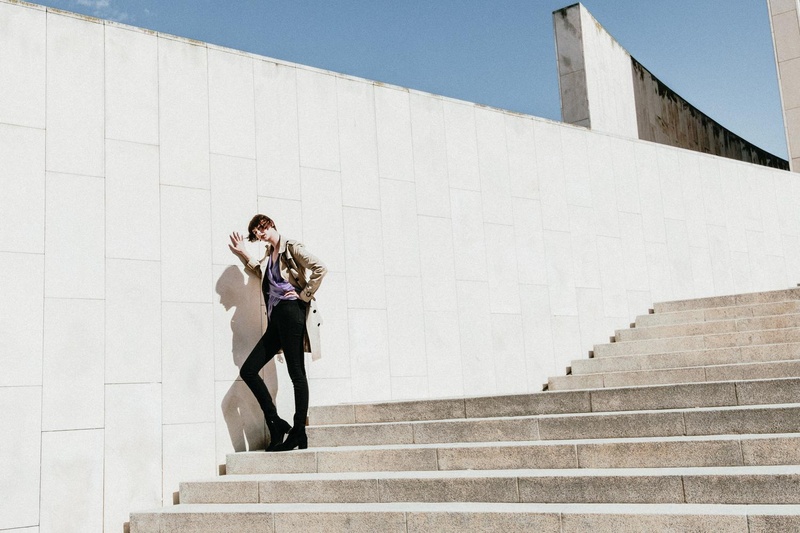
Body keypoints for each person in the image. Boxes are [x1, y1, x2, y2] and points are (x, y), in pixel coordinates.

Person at [228, 214, 327, 451]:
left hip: (292, 314)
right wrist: (242, 252)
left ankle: (298, 432)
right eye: (256, 233)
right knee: (249, 370)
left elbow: (320, 268)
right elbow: (260, 273)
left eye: (261, 229)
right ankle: (275, 423)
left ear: (270, 224)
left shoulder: (291, 248)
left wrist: (303, 296)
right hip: (277, 320)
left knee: (296, 374)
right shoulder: (269, 256)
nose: (260, 234)